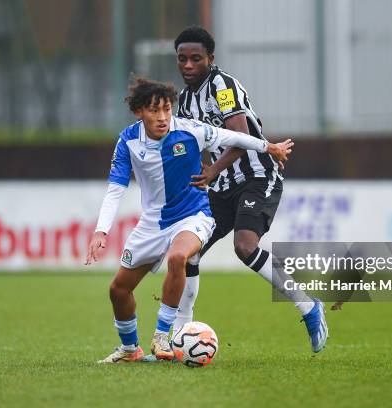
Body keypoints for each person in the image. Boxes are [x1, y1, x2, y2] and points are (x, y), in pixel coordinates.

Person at [85, 76, 294, 363]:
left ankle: (162, 335)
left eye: (167, 110)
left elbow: (234, 137)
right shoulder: (127, 142)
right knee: (118, 290)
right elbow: (115, 189)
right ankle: (130, 350)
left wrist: (270, 147)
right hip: (152, 223)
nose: (162, 118)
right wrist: (101, 232)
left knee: (178, 257)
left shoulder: (190, 130)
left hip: (193, 215)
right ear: (139, 112)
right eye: (154, 111)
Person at [173, 26, 328, 353]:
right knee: (189, 250)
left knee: (245, 247)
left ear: (210, 59)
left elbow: (240, 136)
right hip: (222, 185)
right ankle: (180, 333)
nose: (188, 65)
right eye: (182, 59)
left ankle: (308, 306)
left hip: (257, 176)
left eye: (195, 59)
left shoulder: (222, 87)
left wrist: (211, 170)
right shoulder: (184, 101)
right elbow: (193, 145)